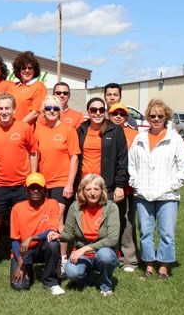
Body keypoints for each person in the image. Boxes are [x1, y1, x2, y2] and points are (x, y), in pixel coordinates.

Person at [129, 99, 184, 280]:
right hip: (143, 194)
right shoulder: (139, 138)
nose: (156, 119)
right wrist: (136, 182)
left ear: (166, 117)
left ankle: (163, 268)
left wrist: (173, 185)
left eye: (160, 116)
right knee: (146, 232)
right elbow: (131, 163)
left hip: (168, 196)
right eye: (152, 115)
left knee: (166, 232)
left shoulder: (174, 139)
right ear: (147, 117)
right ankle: (148, 266)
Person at [0, 93, 37, 268]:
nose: (4, 112)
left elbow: (33, 152)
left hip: (21, 185)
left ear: (14, 109)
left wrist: (32, 178)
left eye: (7, 108)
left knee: (22, 223)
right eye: (1, 109)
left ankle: (22, 257)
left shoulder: (24, 128)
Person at [76, 97, 128, 258]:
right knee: (87, 220)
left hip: (107, 186)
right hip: (85, 185)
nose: (97, 113)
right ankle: (86, 253)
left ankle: (111, 254)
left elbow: (122, 159)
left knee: (107, 221)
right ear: (88, 111)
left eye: (101, 110)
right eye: (93, 110)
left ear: (105, 111)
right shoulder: (81, 129)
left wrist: (120, 185)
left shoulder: (115, 130)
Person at [53, 174, 120, 297]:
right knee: (71, 272)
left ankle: (106, 285)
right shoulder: (75, 207)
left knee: (105, 256)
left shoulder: (111, 207)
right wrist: (58, 236)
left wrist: (84, 249)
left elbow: (112, 239)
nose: (92, 193)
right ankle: (89, 278)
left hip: (103, 252)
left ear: (102, 191)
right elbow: (69, 233)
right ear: (82, 191)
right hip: (82, 255)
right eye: (88, 189)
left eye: (96, 189)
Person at [34, 95, 80, 272]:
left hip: (61, 182)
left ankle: (62, 259)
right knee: (45, 221)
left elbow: (74, 158)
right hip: (43, 183)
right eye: (48, 108)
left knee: (58, 219)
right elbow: (35, 156)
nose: (51, 111)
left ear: (60, 111)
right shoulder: (38, 130)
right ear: (43, 112)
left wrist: (69, 184)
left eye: (55, 108)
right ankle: (48, 256)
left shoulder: (69, 130)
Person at [9, 173, 65, 295]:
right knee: (19, 286)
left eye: (39, 187)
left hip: (42, 247)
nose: (35, 191)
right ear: (26, 189)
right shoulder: (17, 208)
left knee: (53, 244)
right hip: (24, 251)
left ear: (44, 189)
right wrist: (20, 263)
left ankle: (51, 282)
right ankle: (30, 271)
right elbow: (14, 239)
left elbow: (52, 230)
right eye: (32, 188)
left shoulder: (52, 204)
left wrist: (31, 238)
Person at [108, 102, 139, 272]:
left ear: (127, 117)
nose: (118, 116)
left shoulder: (134, 135)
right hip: (109, 186)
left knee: (127, 221)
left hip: (127, 187)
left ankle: (129, 260)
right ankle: (112, 255)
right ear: (109, 115)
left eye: (122, 113)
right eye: (115, 113)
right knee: (110, 222)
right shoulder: (104, 131)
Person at [9, 51, 46, 125]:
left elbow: (35, 112)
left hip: (25, 129)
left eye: (30, 68)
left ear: (34, 70)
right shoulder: (14, 86)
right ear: (19, 71)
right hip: (10, 128)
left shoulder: (39, 86)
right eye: (23, 68)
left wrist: (19, 125)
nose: (27, 70)